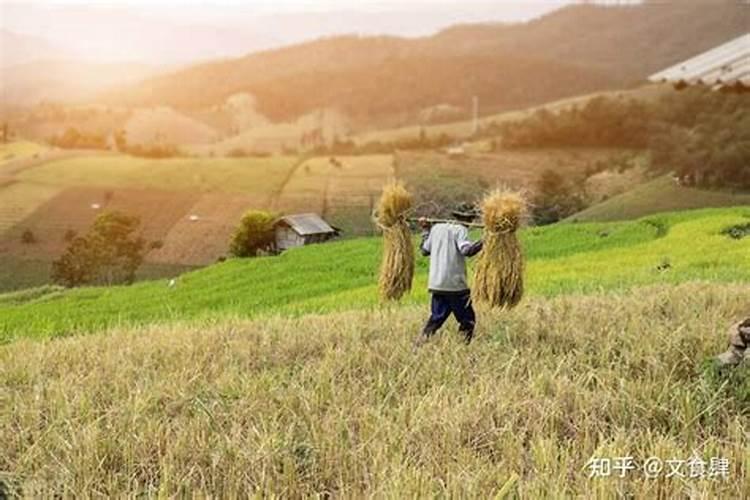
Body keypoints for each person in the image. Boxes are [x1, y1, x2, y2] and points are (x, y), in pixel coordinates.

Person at [414, 209, 483, 347]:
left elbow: (424, 250)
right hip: (455, 285)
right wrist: (485, 241)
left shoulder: (437, 228)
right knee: (468, 319)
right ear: (468, 219)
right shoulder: (461, 229)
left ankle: (419, 345)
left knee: (436, 318)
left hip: (437, 284)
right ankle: (463, 347)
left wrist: (426, 229)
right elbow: (466, 251)